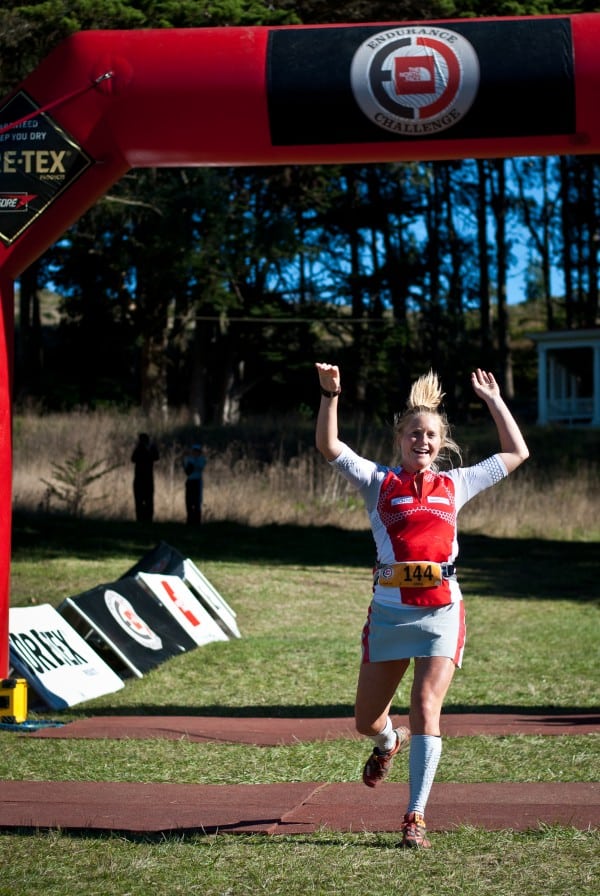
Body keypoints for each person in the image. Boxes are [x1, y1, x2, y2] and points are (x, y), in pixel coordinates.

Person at [315, 363, 529, 849]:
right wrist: (331, 396)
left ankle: (415, 816)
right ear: (400, 438)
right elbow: (329, 447)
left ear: (441, 440)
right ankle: (388, 743)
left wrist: (494, 401)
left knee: (425, 707)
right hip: (389, 614)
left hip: (441, 613)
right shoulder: (377, 481)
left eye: (431, 435)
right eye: (415, 433)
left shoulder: (456, 484)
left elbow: (518, 452)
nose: (424, 441)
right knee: (366, 720)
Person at [131, 433, 159, 522]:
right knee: (140, 500)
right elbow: (133, 459)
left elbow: (156, 457)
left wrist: (148, 449)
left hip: (145, 478)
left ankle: (147, 518)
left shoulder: (150, 448)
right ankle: (141, 518)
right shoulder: (139, 448)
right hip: (141, 478)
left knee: (148, 500)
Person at [183, 443, 206, 524]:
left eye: (197, 451)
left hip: (197, 481)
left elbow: (200, 467)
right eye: (194, 451)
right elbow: (187, 471)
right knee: (189, 501)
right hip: (190, 481)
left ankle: (197, 521)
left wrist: (193, 462)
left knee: (197, 502)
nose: (195, 453)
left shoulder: (202, 459)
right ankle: (189, 520)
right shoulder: (188, 459)